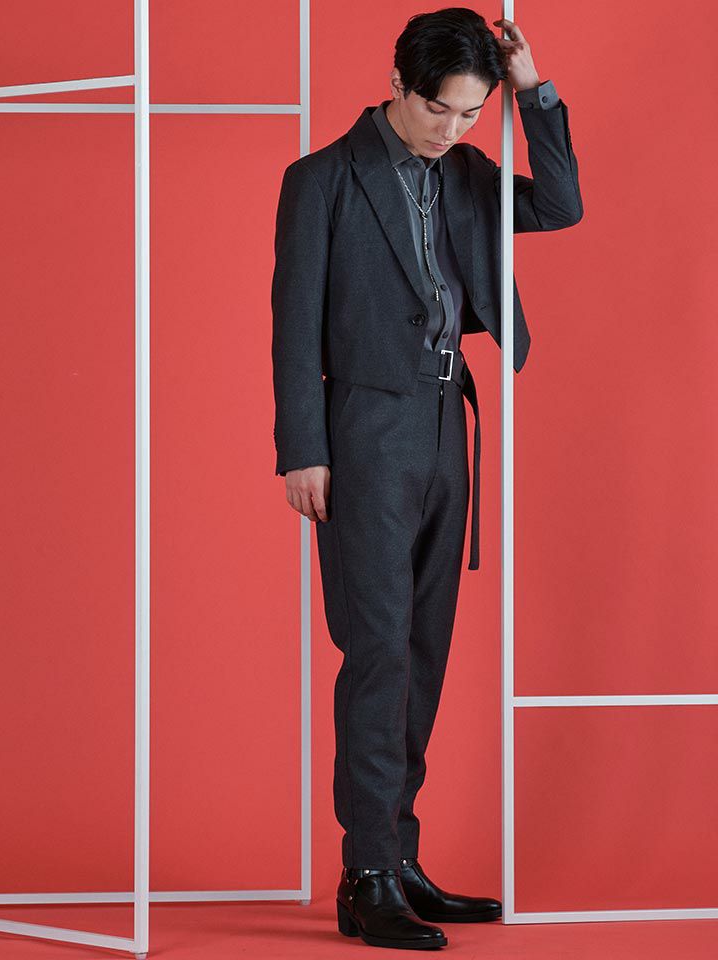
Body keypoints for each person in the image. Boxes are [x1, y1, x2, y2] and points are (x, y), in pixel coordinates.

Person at [271, 7, 583, 950]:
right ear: (398, 86)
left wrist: (533, 91)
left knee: (426, 651)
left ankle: (399, 860)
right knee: (378, 651)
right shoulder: (322, 179)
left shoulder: (470, 173)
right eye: (440, 109)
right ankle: (365, 873)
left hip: (449, 426)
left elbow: (561, 204)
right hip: (364, 431)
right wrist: (303, 448)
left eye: (472, 112)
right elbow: (293, 323)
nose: (454, 128)